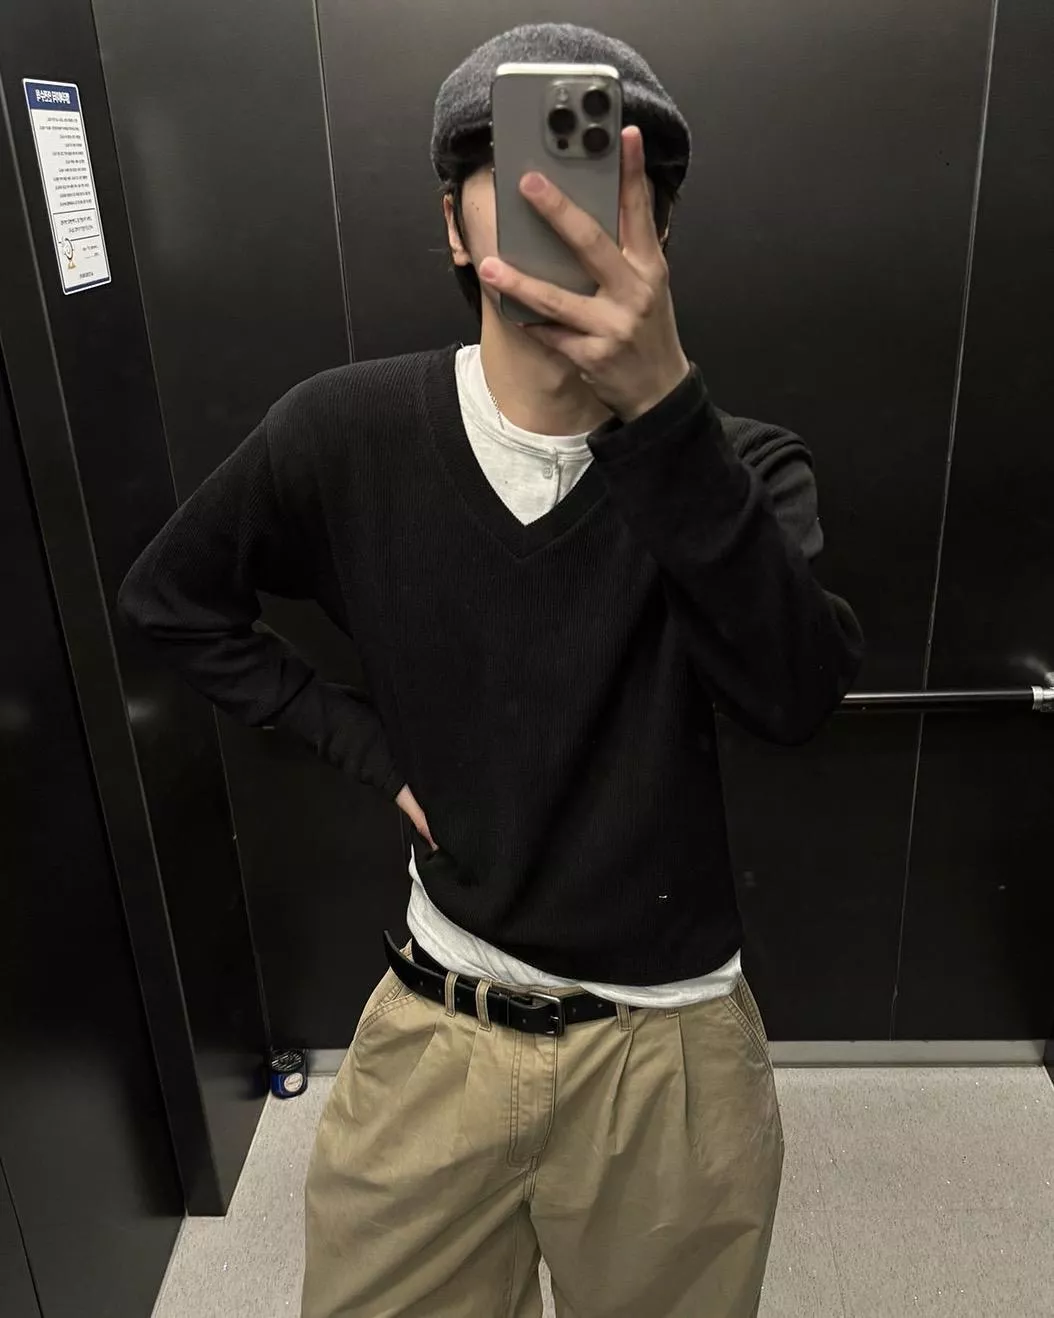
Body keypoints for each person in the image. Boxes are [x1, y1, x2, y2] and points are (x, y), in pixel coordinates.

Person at [118, 21, 864, 1318]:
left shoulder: (741, 467)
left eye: (609, 185)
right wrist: (367, 745)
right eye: (514, 175)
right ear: (454, 231)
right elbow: (169, 601)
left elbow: (795, 698)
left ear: (657, 236)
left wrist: (664, 408)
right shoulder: (344, 433)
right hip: (435, 1028)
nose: (557, 206)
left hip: (670, 1053)